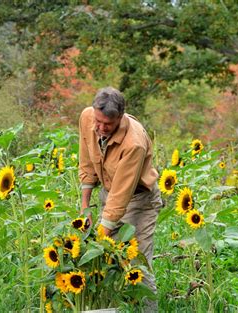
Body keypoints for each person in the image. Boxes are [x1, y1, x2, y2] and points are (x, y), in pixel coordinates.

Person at [78, 86, 162, 311]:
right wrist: (85, 208)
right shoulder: (88, 118)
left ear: (120, 117)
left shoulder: (134, 143)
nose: (101, 128)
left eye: (108, 124)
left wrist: (99, 238)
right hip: (109, 192)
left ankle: (147, 310)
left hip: (139, 200)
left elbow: (121, 195)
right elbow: (87, 162)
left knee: (138, 264)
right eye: (98, 121)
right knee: (104, 262)